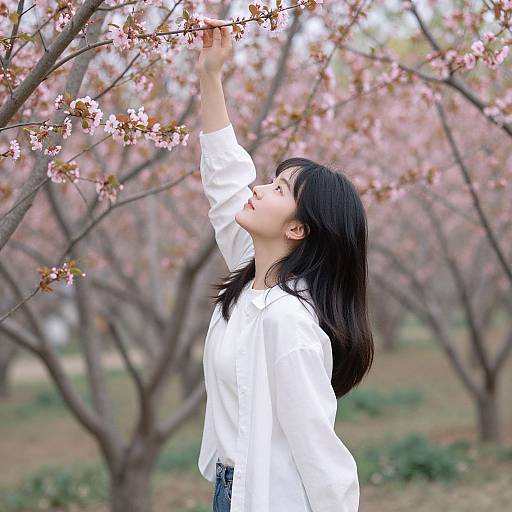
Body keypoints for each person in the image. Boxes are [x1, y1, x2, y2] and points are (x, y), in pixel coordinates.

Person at [196, 16, 374, 512]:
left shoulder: (287, 321)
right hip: (233, 490)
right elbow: (225, 178)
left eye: (277, 189)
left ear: (297, 229)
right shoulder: (254, 276)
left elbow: (320, 453)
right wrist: (211, 75)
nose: (257, 189)